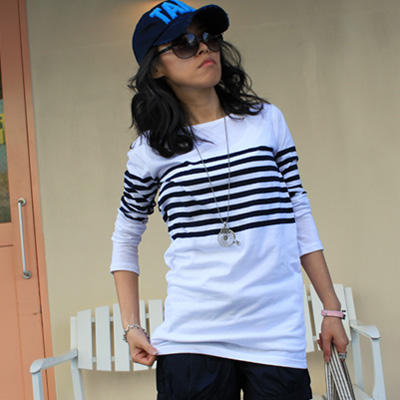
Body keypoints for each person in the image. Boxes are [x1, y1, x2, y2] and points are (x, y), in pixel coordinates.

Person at [110, 1, 349, 399]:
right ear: (156, 68)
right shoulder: (149, 150)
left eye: (209, 38)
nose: (204, 48)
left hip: (275, 333)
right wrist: (131, 325)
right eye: (185, 44)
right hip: (193, 337)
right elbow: (125, 236)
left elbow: (298, 210)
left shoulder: (265, 120)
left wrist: (330, 308)